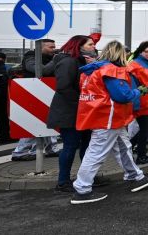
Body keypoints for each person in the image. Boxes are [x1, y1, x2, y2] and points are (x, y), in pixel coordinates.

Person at [72, 40, 148, 204]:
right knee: (96, 154)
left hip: (102, 116)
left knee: (123, 147)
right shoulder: (111, 70)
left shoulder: (91, 71)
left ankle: (135, 176)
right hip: (108, 118)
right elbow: (122, 96)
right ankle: (82, 189)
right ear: (119, 54)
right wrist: (137, 91)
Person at [46, 35, 99, 192]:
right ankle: (63, 181)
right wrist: (82, 102)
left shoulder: (83, 61)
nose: (93, 47)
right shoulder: (68, 61)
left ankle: (87, 177)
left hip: (82, 111)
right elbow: (63, 87)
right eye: (90, 44)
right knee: (70, 146)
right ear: (79, 46)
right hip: (69, 112)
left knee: (87, 145)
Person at [14, 39, 61, 160]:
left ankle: (51, 148)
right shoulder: (30, 57)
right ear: (40, 47)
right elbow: (42, 71)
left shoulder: (51, 58)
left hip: (47, 92)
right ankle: (20, 151)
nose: (54, 49)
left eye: (54, 47)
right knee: (33, 123)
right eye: (51, 47)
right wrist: (56, 60)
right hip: (34, 94)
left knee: (50, 121)